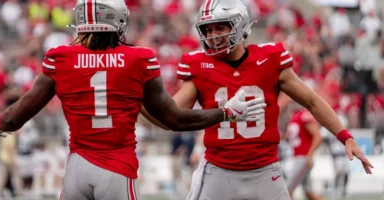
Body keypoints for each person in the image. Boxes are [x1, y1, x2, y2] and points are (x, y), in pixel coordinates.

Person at [0, 1, 266, 200]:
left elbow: (11, 120)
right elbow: (174, 119)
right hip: (116, 168)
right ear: (119, 21)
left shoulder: (60, 58)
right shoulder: (139, 59)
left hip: (76, 168)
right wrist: (226, 113)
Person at [141, 0, 373, 199]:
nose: (213, 36)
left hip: (265, 171)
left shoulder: (270, 59)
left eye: (220, 27)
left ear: (239, 25)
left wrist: (345, 136)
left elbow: (312, 101)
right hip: (218, 171)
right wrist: (137, 102)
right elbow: (170, 115)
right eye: (208, 30)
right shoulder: (199, 65)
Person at [283, 103, 322, 200]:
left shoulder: (304, 115)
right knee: (309, 192)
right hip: (299, 157)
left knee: (287, 190)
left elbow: (318, 136)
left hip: (303, 158)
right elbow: (292, 136)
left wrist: (310, 154)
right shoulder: (294, 116)